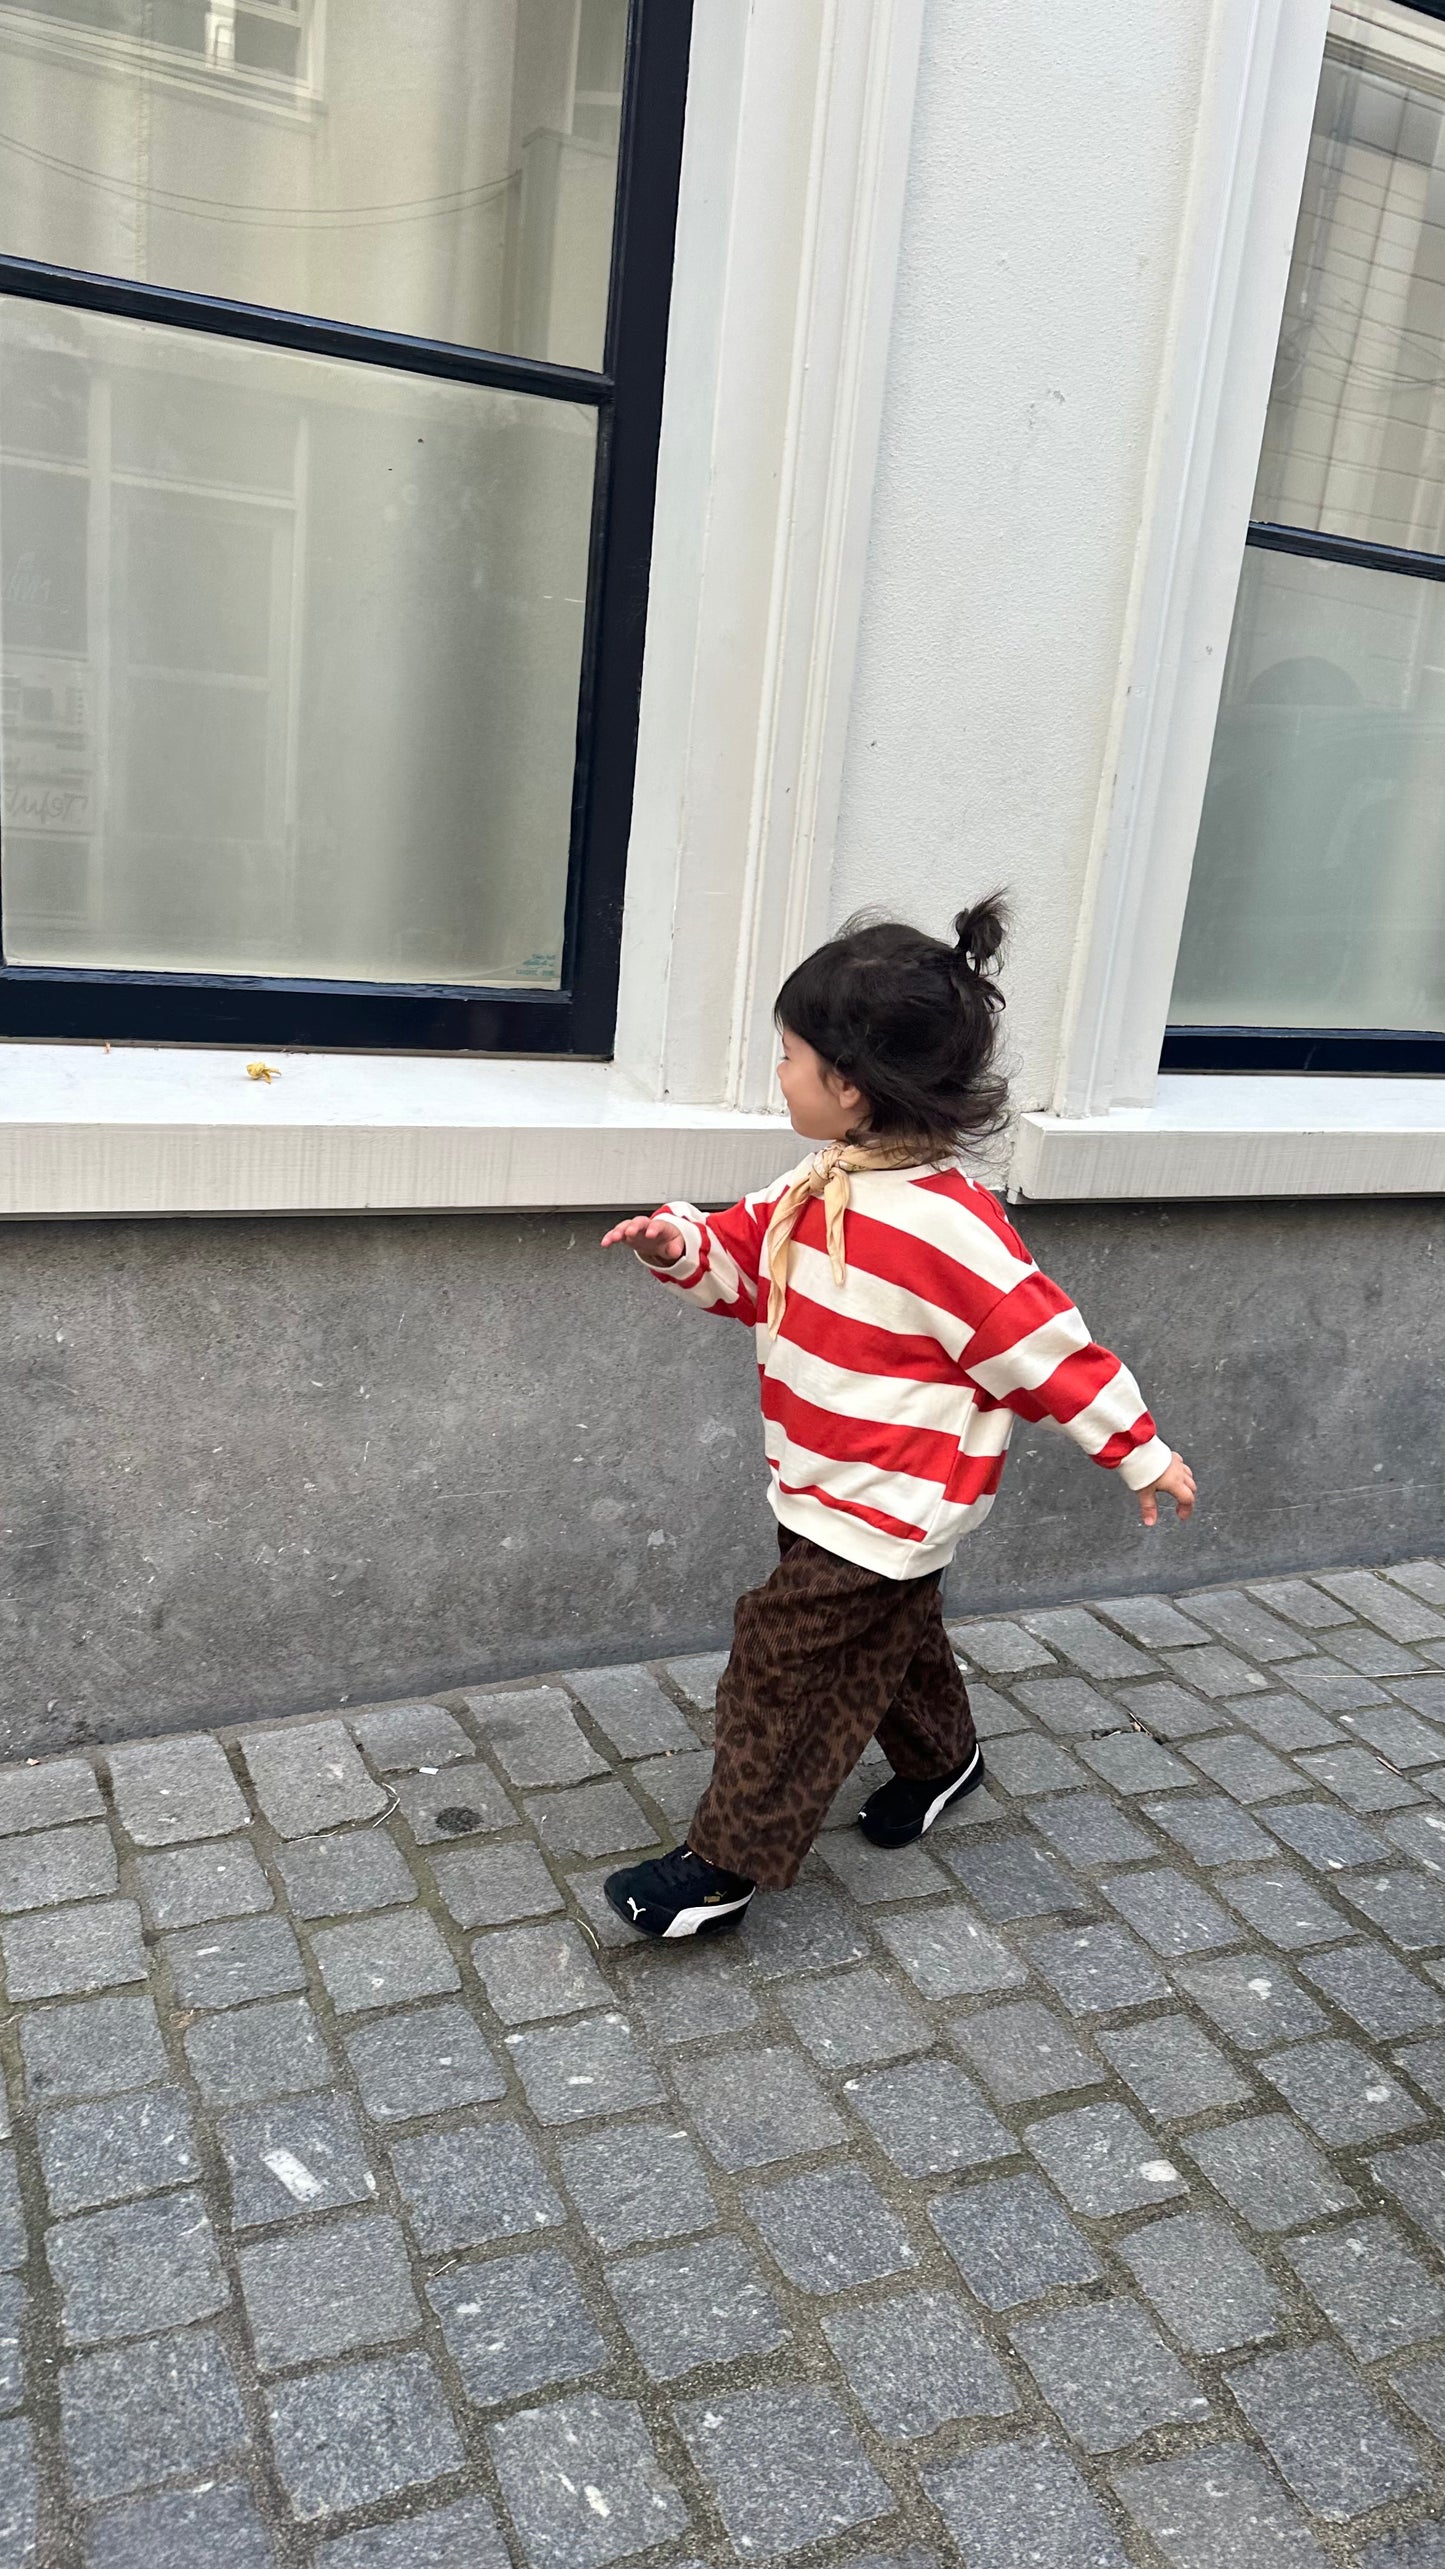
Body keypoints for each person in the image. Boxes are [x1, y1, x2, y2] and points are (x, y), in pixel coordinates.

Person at [599, 898, 1196, 1940]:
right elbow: (743, 1264)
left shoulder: (944, 1227)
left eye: (786, 1055)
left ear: (851, 1084)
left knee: (780, 1661)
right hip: (815, 1474)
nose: (775, 1072)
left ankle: (723, 1864)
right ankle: (942, 1757)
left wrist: (1138, 1452)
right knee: (895, 1636)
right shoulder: (815, 1183)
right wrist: (675, 1245)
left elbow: (1045, 1347)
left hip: (892, 1501)